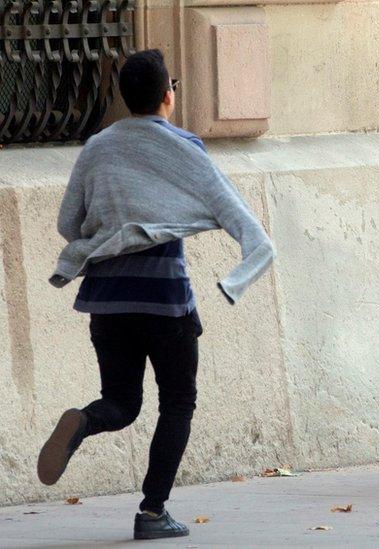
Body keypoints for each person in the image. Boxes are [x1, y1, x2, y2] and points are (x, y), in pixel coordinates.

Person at [37, 49, 274, 540]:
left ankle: (81, 422)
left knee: (121, 402)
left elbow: (67, 224)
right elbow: (234, 214)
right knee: (178, 403)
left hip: (106, 300)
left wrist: (110, 225)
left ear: (125, 99)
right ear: (168, 94)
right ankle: (152, 512)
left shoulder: (98, 147)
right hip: (165, 300)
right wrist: (236, 277)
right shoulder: (185, 147)